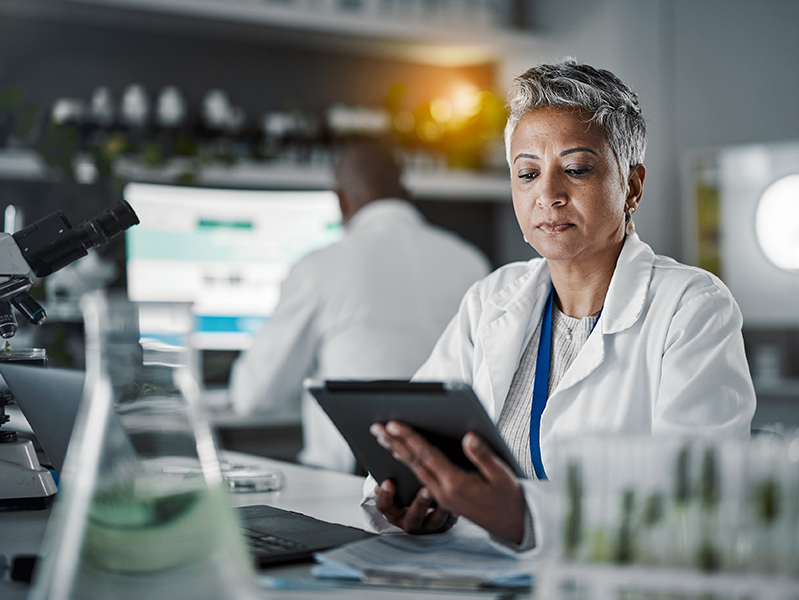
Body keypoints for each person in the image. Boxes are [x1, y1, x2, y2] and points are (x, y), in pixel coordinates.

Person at [365, 60, 756, 548]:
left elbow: (694, 502)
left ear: (632, 186)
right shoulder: (492, 299)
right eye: (527, 173)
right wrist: (412, 500)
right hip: (476, 569)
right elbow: (411, 439)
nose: (547, 194)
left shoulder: (691, 308)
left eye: (575, 169)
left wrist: (526, 519)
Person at [229, 140, 491, 472]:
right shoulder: (470, 261)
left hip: (351, 482)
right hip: (452, 478)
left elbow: (253, 397)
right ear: (406, 193)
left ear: (340, 200)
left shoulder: (319, 268)